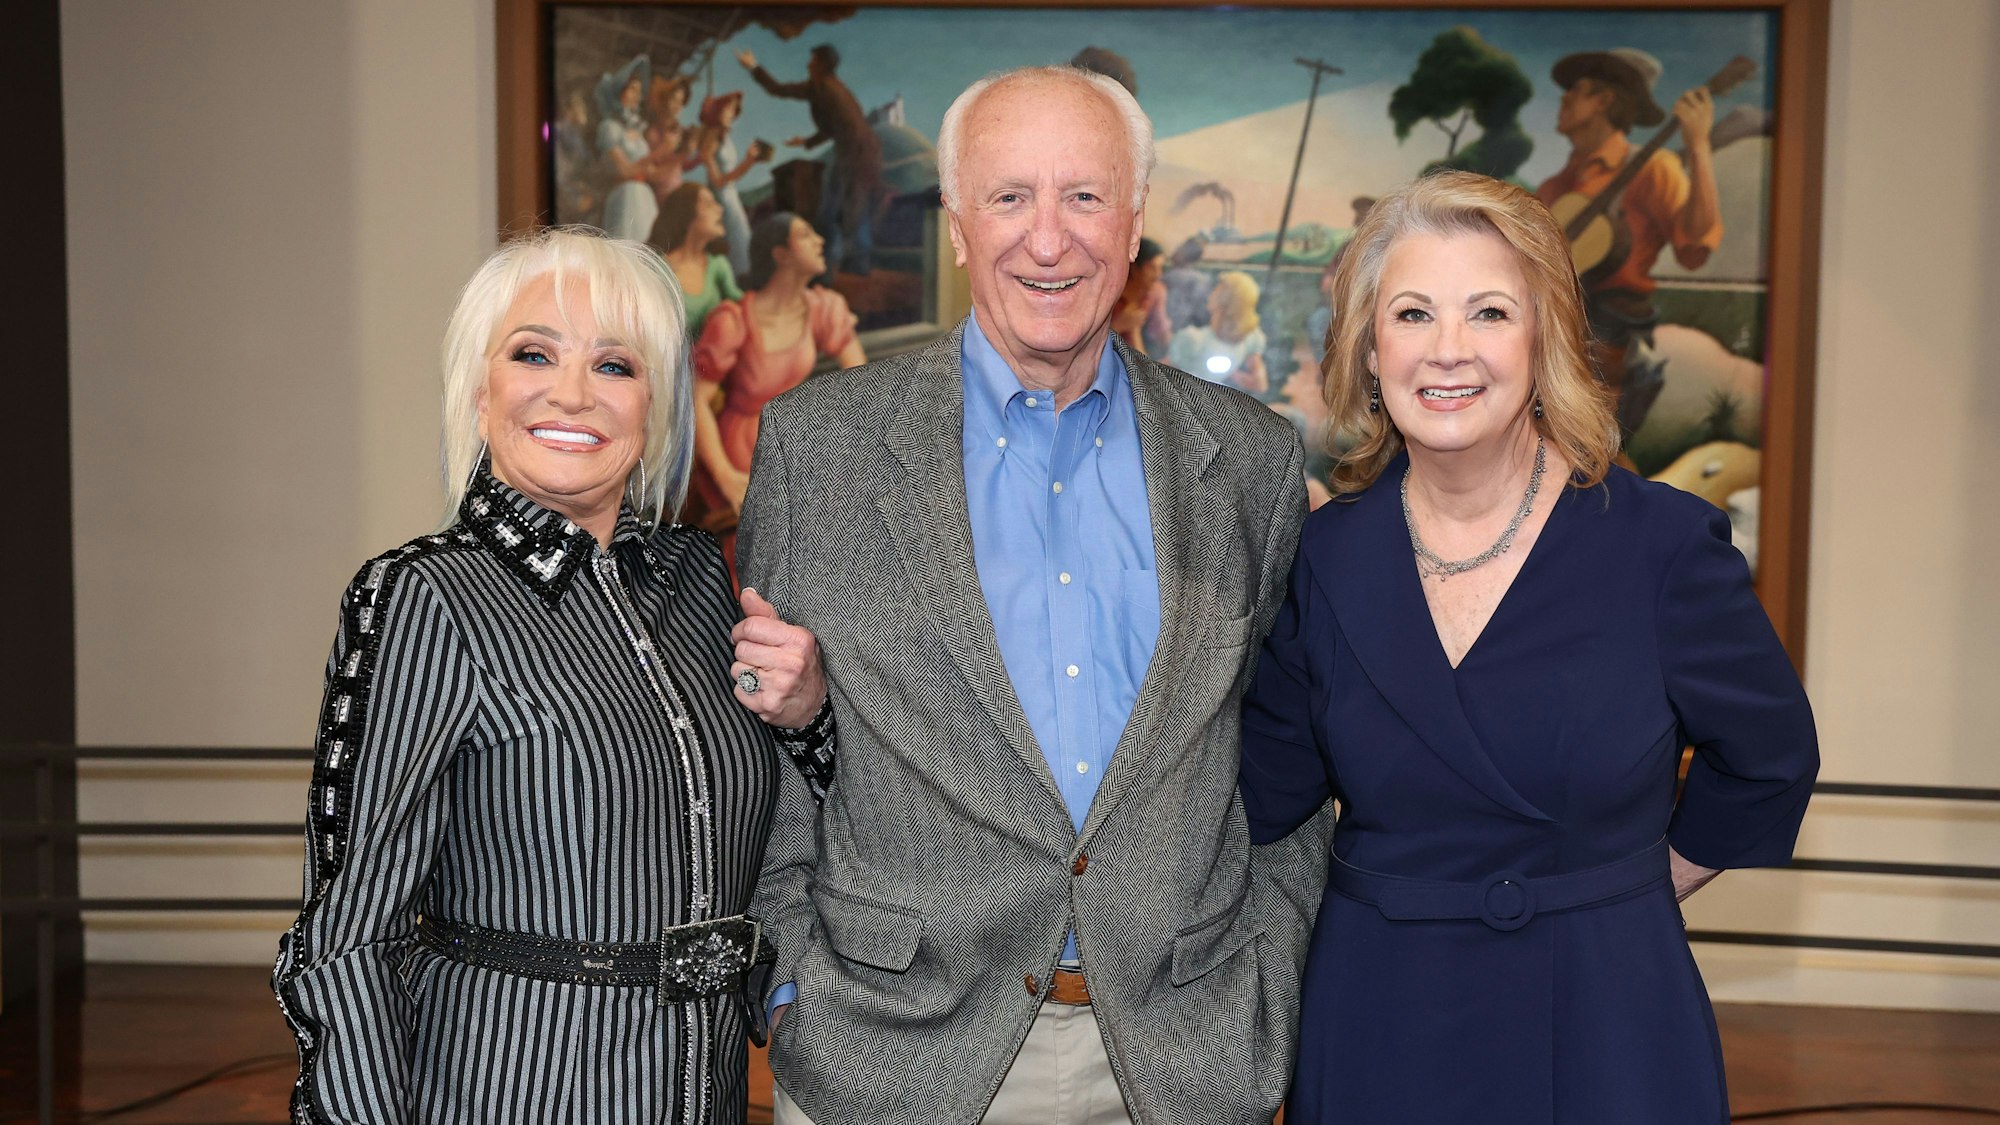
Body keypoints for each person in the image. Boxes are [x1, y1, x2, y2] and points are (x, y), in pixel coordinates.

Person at [740, 65, 1330, 1125]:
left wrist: (1269, 979)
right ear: (958, 225)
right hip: (887, 1060)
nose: (1047, 240)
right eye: (1009, 197)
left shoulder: (1248, 462)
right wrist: (789, 984)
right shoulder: (816, 445)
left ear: (1135, 221)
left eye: (1084, 196)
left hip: (1173, 1062)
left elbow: (1291, 749)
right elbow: (767, 742)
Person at [1238, 170, 1817, 1123]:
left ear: (1543, 338)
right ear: (1369, 351)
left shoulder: (1659, 545)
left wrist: (1624, 896)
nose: (1449, 350)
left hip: (1605, 1018)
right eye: (1413, 314)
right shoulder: (1325, 557)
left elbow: (1769, 759)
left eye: (1490, 311)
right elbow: (1260, 794)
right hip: (1383, 1019)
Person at [272, 228, 832, 1125]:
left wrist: (807, 716)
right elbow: (345, 939)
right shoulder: (421, 596)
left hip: (705, 1093)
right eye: (534, 352)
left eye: (616, 364)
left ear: (655, 403)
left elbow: (794, 827)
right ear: (480, 385)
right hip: (508, 1087)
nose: (573, 391)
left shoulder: (699, 579)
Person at [1535, 47, 1722, 441]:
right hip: (1555, 334)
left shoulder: (1655, 168)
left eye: (1578, 91)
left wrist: (1699, 147)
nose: (1564, 99)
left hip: (1613, 336)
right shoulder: (1554, 189)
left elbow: (1694, 249)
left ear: (1605, 100)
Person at [686, 213, 865, 575]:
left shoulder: (822, 308)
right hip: (740, 450)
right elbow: (697, 400)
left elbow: (860, 386)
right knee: (755, 562)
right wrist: (725, 475)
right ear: (780, 254)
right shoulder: (733, 320)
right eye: (806, 234)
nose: (820, 241)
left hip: (798, 442)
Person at [736, 44, 883, 277]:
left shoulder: (821, 87)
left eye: (812, 60)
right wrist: (806, 141)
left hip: (856, 155)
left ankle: (841, 265)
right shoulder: (834, 88)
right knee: (848, 207)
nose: (808, 64)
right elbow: (839, 126)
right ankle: (846, 263)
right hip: (858, 153)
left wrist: (753, 67)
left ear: (822, 65)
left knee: (843, 209)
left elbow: (778, 89)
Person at [691, 91, 774, 278]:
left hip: (731, 197)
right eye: (727, 109)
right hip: (721, 199)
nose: (731, 114)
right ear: (718, 112)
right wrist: (748, 161)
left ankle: (741, 278)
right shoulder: (710, 140)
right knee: (733, 242)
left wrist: (750, 161)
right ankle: (733, 280)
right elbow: (718, 181)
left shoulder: (725, 138)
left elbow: (730, 178)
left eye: (733, 110)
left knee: (741, 240)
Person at [648, 181, 742, 340]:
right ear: (687, 212)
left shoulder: (718, 265)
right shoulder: (657, 268)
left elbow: (743, 306)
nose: (719, 209)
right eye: (709, 204)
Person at [1168, 269, 1268, 394]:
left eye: (1217, 289)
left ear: (1226, 299)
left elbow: (1260, 384)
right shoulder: (1191, 338)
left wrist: (1233, 375)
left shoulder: (1249, 337)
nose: (1212, 293)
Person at [1110, 236, 1169, 356]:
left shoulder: (1151, 294)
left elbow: (1159, 334)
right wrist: (1117, 326)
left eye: (1160, 268)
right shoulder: (1110, 295)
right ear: (1134, 268)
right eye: (1151, 268)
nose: (1157, 275)